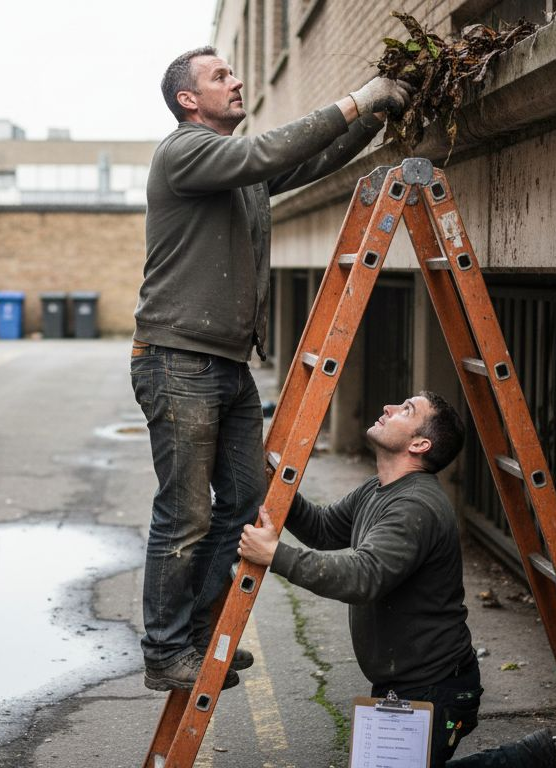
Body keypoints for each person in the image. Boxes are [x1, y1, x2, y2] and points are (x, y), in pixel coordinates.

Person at [132, 44, 412, 692]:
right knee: (185, 513)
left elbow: (305, 158)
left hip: (227, 363)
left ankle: (200, 638)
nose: (237, 81)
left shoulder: (237, 170)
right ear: (187, 100)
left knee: (241, 503)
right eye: (220, 77)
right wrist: (359, 97)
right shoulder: (185, 151)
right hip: (178, 360)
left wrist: (376, 118)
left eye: (233, 71)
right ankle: (164, 651)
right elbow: (266, 151)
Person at [238, 392, 556, 767]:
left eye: (406, 410)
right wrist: (274, 484)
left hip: (435, 688)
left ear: (420, 444)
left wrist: (275, 555)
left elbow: (363, 576)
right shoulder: (378, 489)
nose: (388, 407)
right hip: (405, 683)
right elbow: (324, 528)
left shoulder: (414, 507)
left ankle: (523, 761)